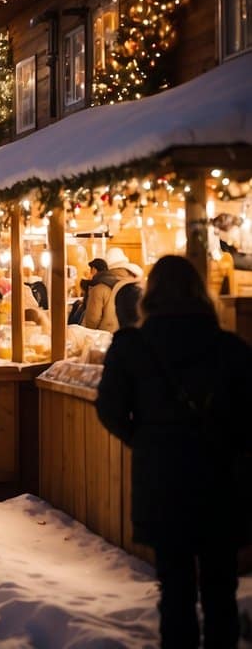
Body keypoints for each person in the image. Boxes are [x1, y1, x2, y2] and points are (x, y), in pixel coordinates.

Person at [96, 255, 251, 648]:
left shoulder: (132, 346)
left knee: (176, 590)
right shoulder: (230, 348)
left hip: (162, 479)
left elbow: (110, 409)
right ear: (201, 293)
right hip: (221, 480)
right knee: (220, 592)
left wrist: (146, 440)